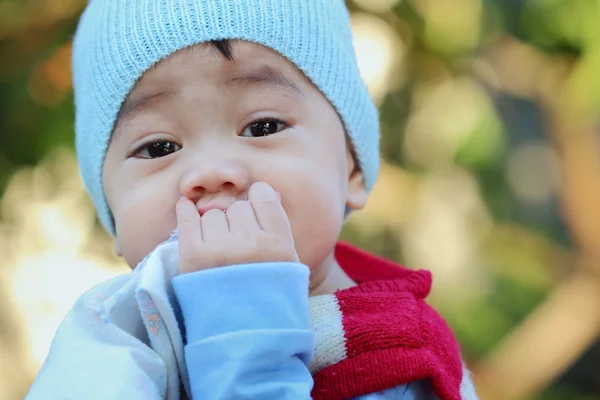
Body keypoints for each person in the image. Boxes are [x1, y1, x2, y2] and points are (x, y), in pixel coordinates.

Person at [27, 0, 479, 399]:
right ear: (112, 216)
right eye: (158, 147)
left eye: (262, 126)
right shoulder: (108, 347)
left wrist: (243, 329)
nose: (210, 172)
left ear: (352, 168)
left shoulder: (391, 361)